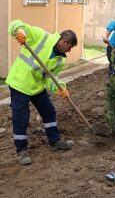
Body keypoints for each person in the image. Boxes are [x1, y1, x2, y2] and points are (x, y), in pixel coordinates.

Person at [6, 19, 77, 165]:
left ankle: (55, 141)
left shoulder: (59, 60)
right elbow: (15, 24)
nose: (69, 51)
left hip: (36, 87)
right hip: (20, 83)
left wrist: (60, 87)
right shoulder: (41, 36)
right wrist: (19, 31)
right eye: (69, 47)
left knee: (49, 111)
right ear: (64, 42)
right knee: (21, 118)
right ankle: (21, 151)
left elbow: (50, 78)